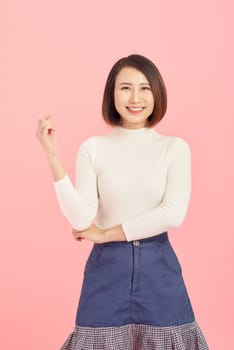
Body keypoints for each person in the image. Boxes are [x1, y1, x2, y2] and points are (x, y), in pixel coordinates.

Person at [36, 54, 209, 349]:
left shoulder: (174, 149)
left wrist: (104, 234)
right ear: (112, 94)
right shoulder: (93, 148)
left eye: (144, 88)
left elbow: (172, 214)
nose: (135, 97)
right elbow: (81, 219)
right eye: (125, 88)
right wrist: (52, 156)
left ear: (157, 93)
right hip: (106, 272)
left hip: (160, 272)